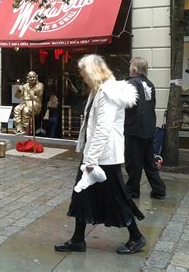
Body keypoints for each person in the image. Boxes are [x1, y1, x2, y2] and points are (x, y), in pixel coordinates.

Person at [54, 54, 147, 255]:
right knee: (82, 194)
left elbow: (103, 129)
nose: (81, 76)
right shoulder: (98, 91)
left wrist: (90, 159)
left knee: (117, 197)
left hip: (104, 158)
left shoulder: (107, 92)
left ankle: (136, 237)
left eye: (83, 72)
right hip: (96, 155)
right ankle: (78, 239)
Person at [124, 57, 166, 199]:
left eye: (130, 66)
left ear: (134, 68)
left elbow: (127, 106)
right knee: (149, 162)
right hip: (148, 128)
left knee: (133, 162)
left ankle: (132, 190)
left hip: (134, 128)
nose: (129, 68)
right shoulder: (150, 84)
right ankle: (159, 189)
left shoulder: (131, 84)